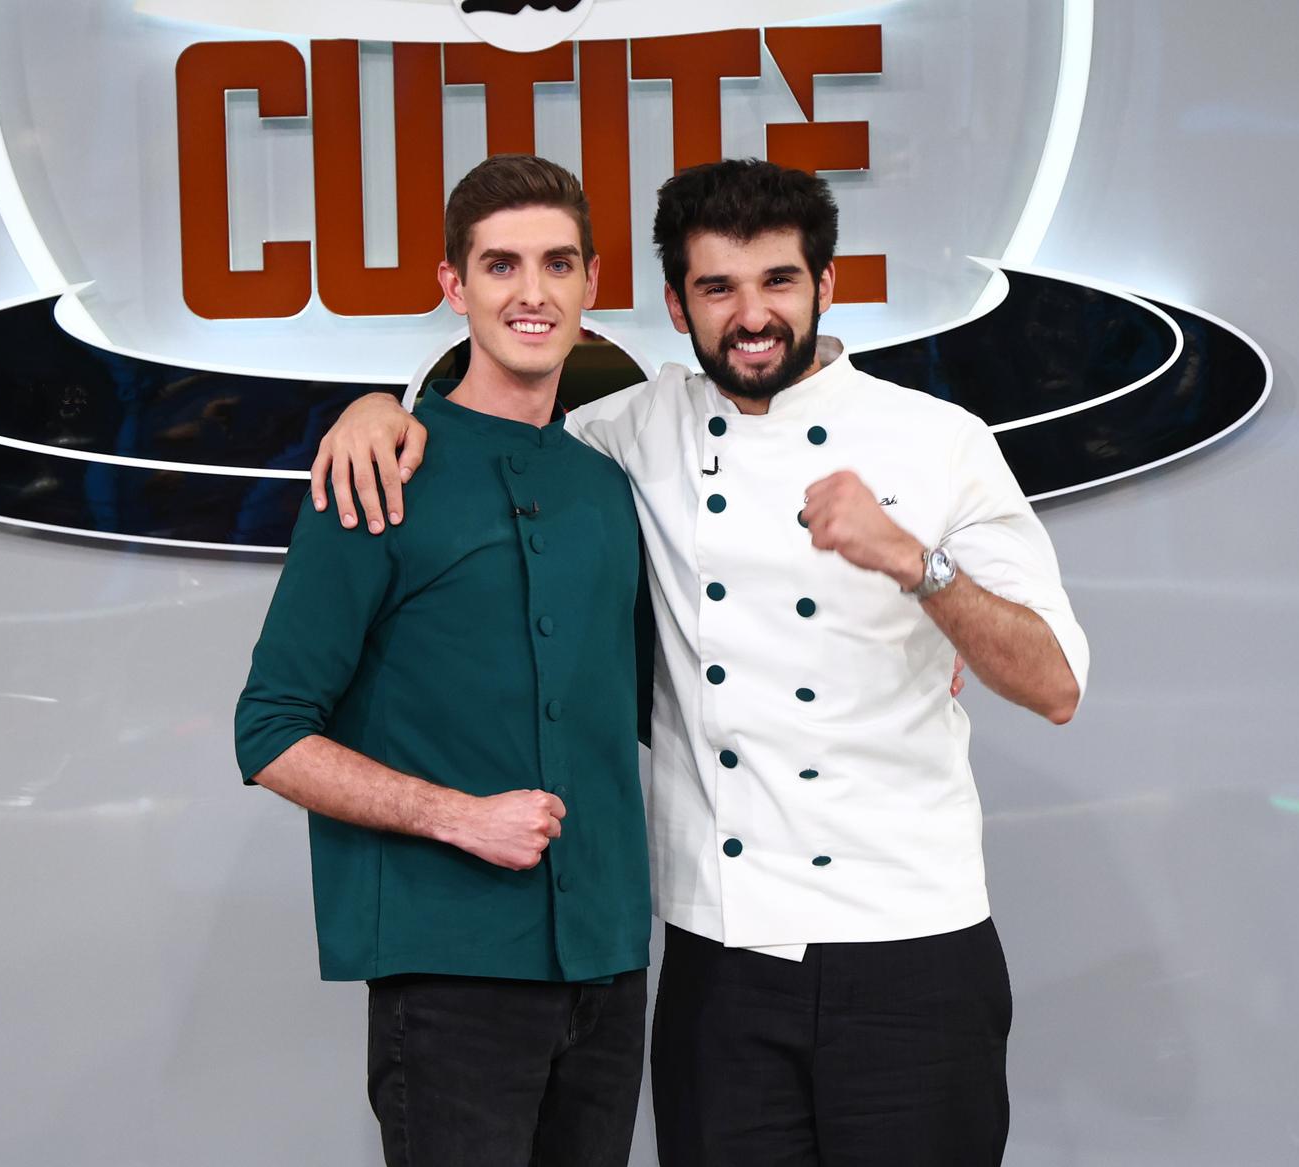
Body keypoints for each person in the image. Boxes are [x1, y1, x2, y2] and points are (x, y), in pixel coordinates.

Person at [311, 158, 1089, 1166]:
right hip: (721, 962)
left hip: (914, 946)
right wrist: (379, 408)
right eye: (718, 288)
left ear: (826, 284)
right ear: (676, 307)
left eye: (778, 281)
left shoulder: (940, 442)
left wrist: (916, 564)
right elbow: (486, 424)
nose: (751, 316)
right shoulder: (627, 433)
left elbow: (1053, 683)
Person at [235, 154, 652, 1167]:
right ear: (453, 286)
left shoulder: (610, 484)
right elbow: (270, 732)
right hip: (450, 975)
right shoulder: (379, 471)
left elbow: (677, 689)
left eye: (557, 264)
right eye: (501, 265)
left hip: (608, 966)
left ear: (592, 282)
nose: (532, 292)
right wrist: (456, 816)